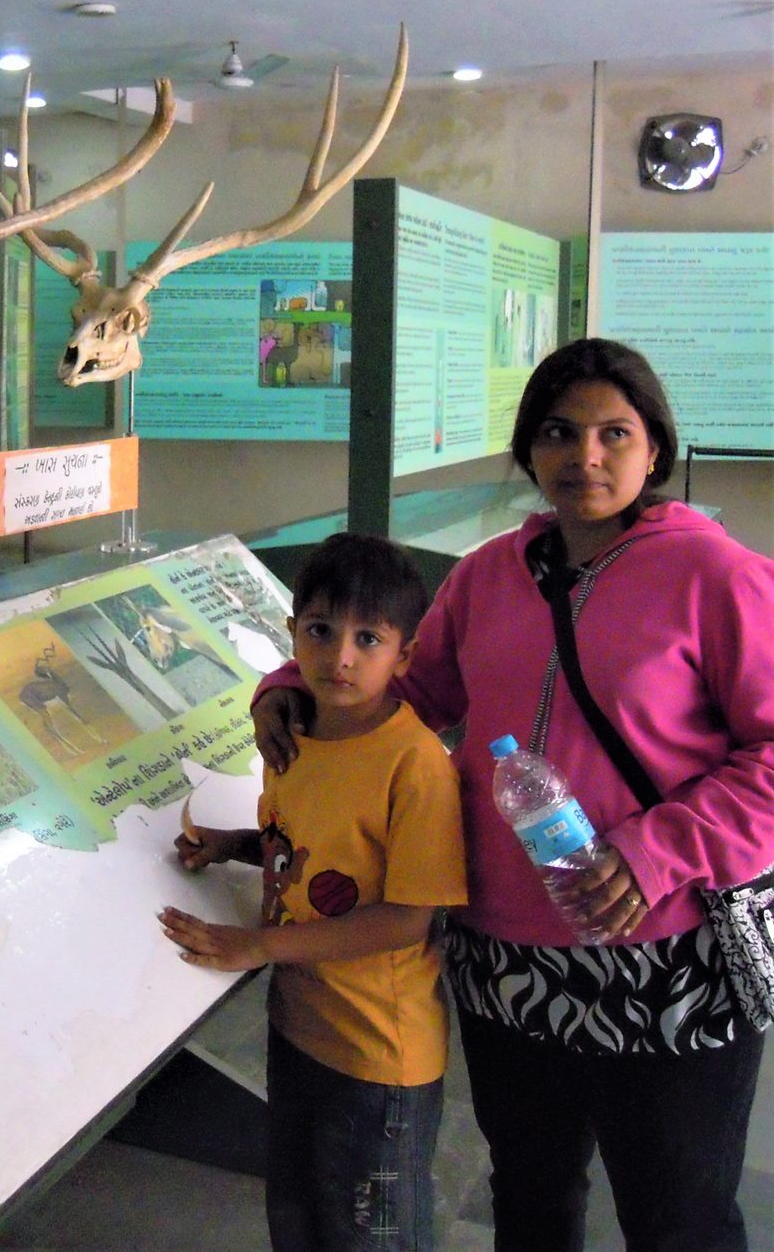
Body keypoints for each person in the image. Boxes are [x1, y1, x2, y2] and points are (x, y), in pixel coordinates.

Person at [252, 338, 774, 1252]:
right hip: (506, 961)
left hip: (664, 956)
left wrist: (657, 848)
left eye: (615, 433)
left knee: (678, 1217)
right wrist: (285, 687)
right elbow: (406, 690)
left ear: (655, 448)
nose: (586, 456)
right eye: (559, 433)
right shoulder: (494, 572)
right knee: (529, 1197)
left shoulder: (716, 576)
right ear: (529, 451)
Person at [160, 533, 467, 1251]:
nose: (340, 657)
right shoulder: (292, 734)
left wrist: (258, 945)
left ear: (405, 655)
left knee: (367, 1237)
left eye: (368, 637)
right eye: (320, 631)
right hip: (299, 1030)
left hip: (377, 1060)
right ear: (290, 630)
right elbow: (300, 841)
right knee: (298, 1223)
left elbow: (404, 919)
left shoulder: (414, 763)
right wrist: (234, 845)